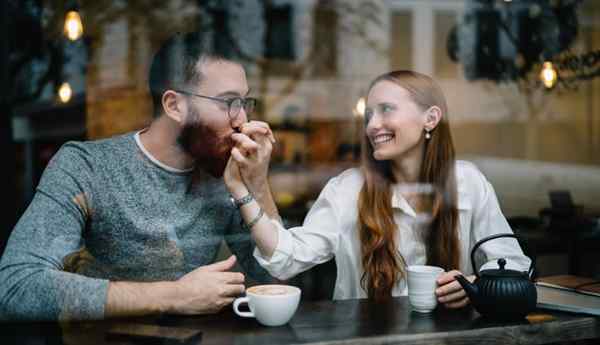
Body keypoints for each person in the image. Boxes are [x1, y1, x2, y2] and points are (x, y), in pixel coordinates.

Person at [0, 31, 280, 321]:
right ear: (174, 106)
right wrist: (174, 296)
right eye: (228, 103)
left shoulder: (226, 175)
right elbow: (17, 286)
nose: (243, 121)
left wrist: (258, 186)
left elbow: (279, 284)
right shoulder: (87, 167)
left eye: (244, 103)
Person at [224, 70, 531, 307]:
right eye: (369, 115)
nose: (372, 125)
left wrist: (475, 284)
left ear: (431, 118)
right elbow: (285, 258)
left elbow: (514, 265)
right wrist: (243, 188)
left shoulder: (468, 182)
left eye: (386, 110)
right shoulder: (347, 189)